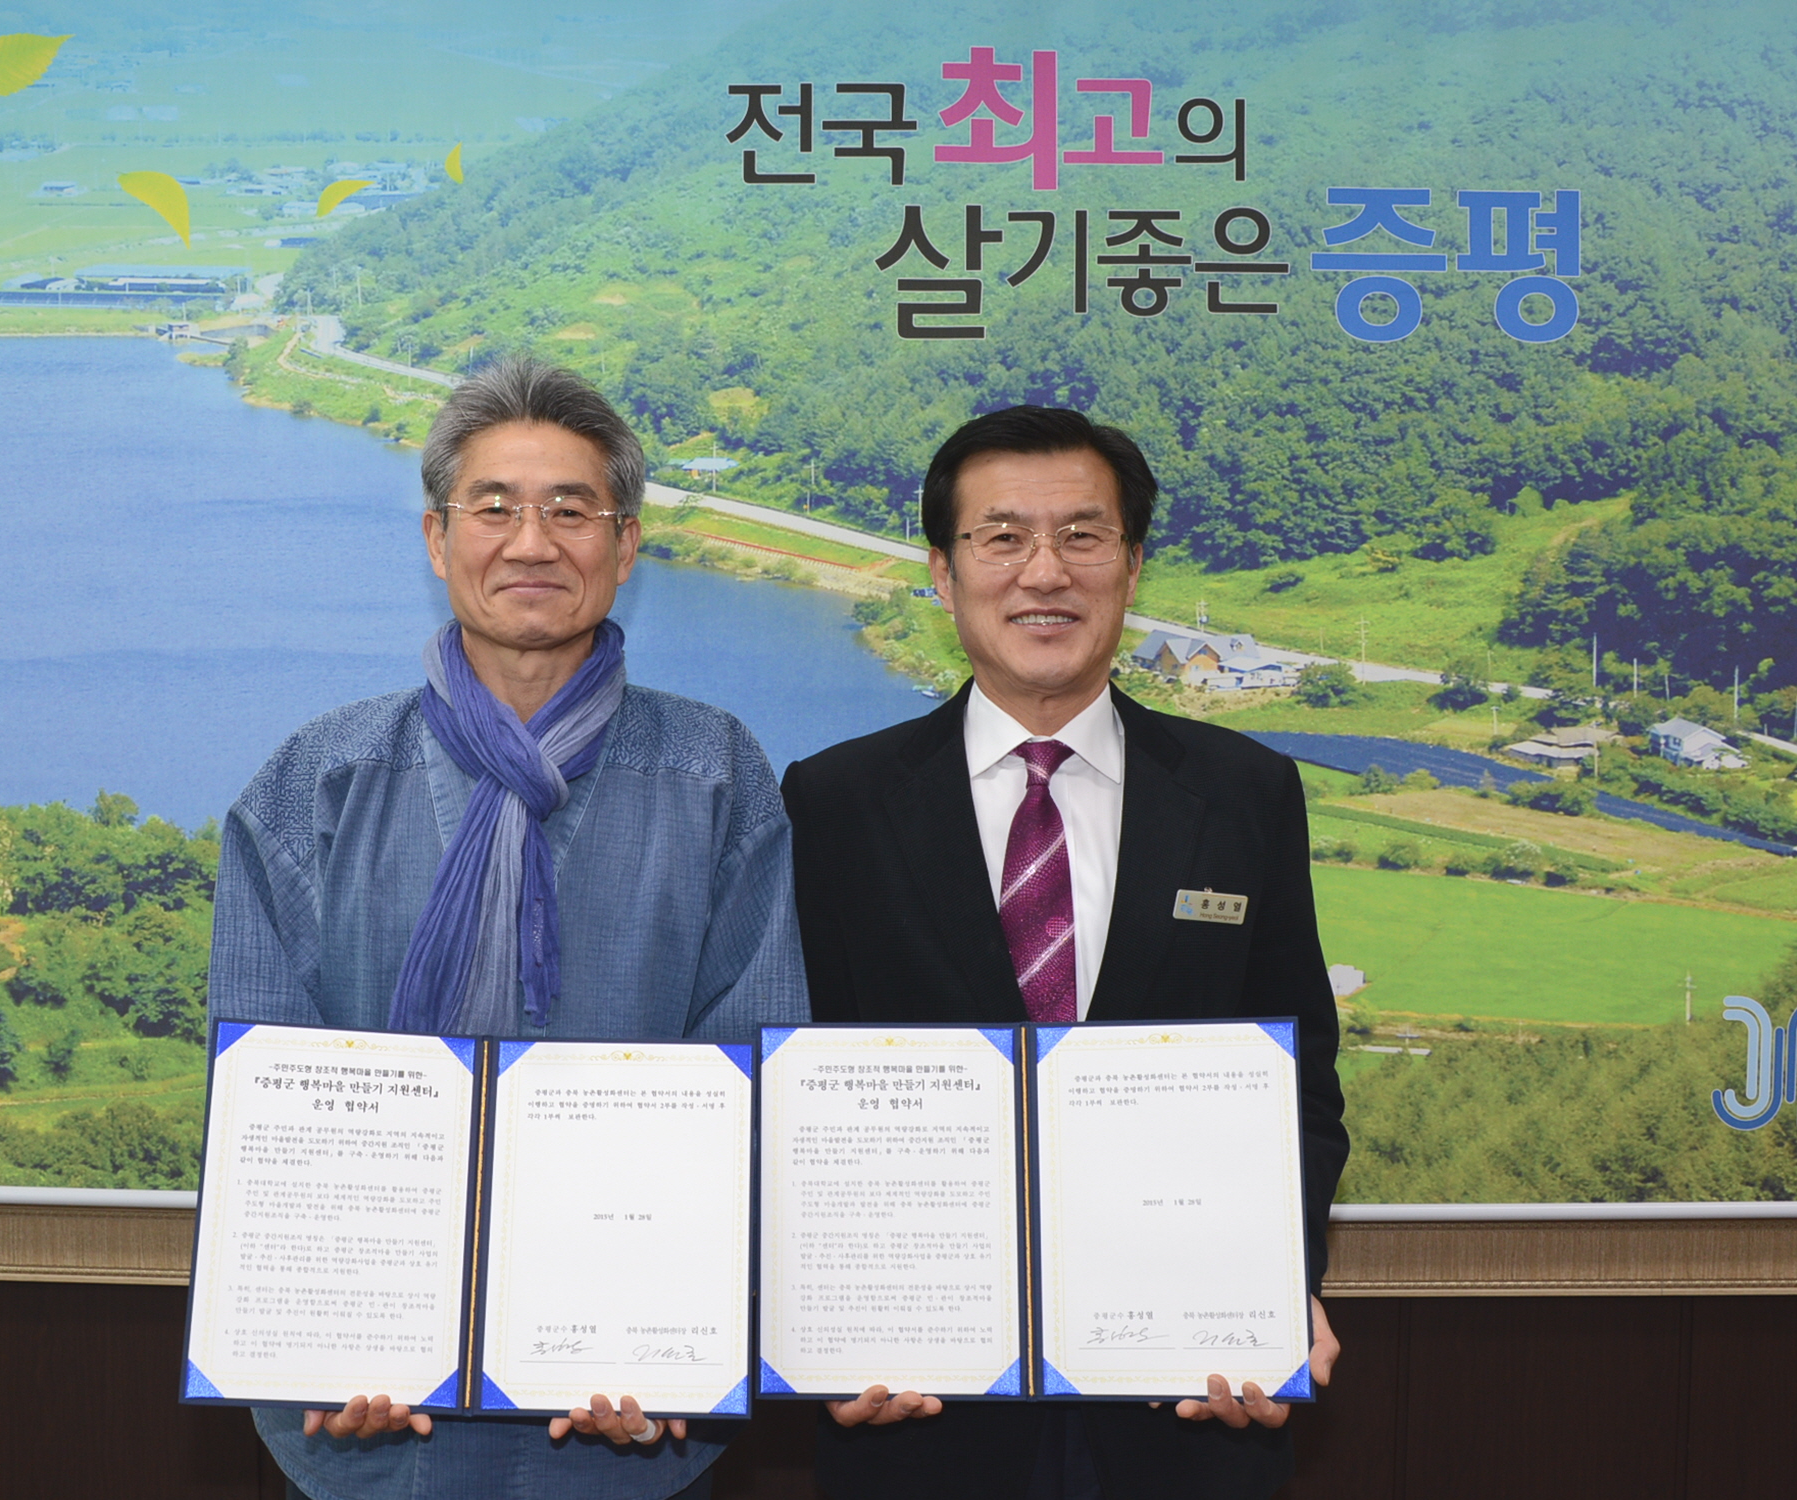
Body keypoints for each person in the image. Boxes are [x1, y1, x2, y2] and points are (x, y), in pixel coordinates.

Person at [207, 357, 807, 1500]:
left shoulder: (715, 775)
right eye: (494, 508)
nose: (532, 543)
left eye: (571, 511)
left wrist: (675, 1342)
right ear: (437, 540)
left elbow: (758, 1086)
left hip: (629, 1421)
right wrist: (321, 1338)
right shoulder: (319, 781)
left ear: (626, 545)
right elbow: (264, 1111)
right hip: (368, 1423)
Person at [779, 406, 1349, 1500]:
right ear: (942, 573)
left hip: (1191, 1404)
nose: (1045, 571)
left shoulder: (1245, 793)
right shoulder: (836, 800)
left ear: (1132, 567)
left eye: (1083, 535)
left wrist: (1276, 1286)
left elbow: (1300, 1092)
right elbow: (806, 1091)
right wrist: (824, 1319)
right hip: (919, 1407)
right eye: (1001, 537)